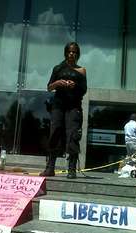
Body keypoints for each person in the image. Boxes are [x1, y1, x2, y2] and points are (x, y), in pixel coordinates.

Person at [40, 42, 87, 179]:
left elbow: (83, 90)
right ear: (66, 53)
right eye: (70, 51)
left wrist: (75, 85)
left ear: (78, 54)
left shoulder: (82, 70)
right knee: (55, 132)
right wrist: (57, 83)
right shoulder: (58, 68)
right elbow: (49, 87)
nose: (72, 54)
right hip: (58, 105)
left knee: (73, 134)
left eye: (75, 52)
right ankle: (50, 168)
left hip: (74, 106)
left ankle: (71, 169)